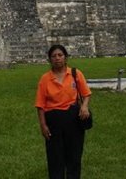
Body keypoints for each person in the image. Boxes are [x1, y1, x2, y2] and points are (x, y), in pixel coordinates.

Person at [35, 44, 91, 179]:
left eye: (60, 55)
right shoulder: (45, 79)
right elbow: (40, 105)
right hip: (53, 120)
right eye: (53, 56)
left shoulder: (75, 74)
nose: (57, 58)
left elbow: (86, 94)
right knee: (55, 157)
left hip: (73, 118)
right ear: (50, 60)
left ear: (65, 58)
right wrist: (43, 125)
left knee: (74, 155)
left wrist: (84, 106)